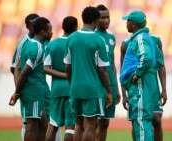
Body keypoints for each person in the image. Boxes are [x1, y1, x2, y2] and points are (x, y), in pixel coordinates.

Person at [63, 6, 113, 141]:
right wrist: (109, 91)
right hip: (92, 89)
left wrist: (72, 82)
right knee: (90, 126)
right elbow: (102, 70)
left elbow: (67, 66)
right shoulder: (98, 40)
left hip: (75, 87)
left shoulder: (71, 38)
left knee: (78, 126)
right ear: (96, 20)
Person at [120, 10, 164, 141]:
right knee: (143, 121)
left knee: (141, 121)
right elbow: (159, 61)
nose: (126, 23)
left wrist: (137, 74)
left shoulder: (139, 38)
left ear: (133, 24)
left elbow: (147, 58)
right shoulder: (149, 38)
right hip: (149, 84)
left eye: (128, 21)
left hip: (140, 87)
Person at [9, 17, 53, 141]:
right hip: (33, 90)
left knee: (43, 123)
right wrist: (17, 92)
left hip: (37, 90)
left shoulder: (28, 44)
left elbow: (19, 67)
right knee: (32, 125)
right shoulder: (37, 48)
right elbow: (23, 72)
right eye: (50, 30)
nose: (52, 32)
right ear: (43, 31)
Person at [44, 16, 78, 141]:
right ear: (76, 27)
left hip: (57, 89)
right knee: (70, 126)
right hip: (72, 88)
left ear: (62, 27)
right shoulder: (75, 43)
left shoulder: (52, 45)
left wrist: (62, 75)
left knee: (53, 125)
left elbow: (46, 68)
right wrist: (67, 76)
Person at [95, 4, 121, 141]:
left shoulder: (111, 38)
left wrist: (115, 87)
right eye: (102, 17)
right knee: (93, 123)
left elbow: (112, 63)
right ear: (95, 19)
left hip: (110, 83)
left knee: (105, 122)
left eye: (108, 17)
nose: (106, 20)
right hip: (96, 84)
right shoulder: (92, 36)